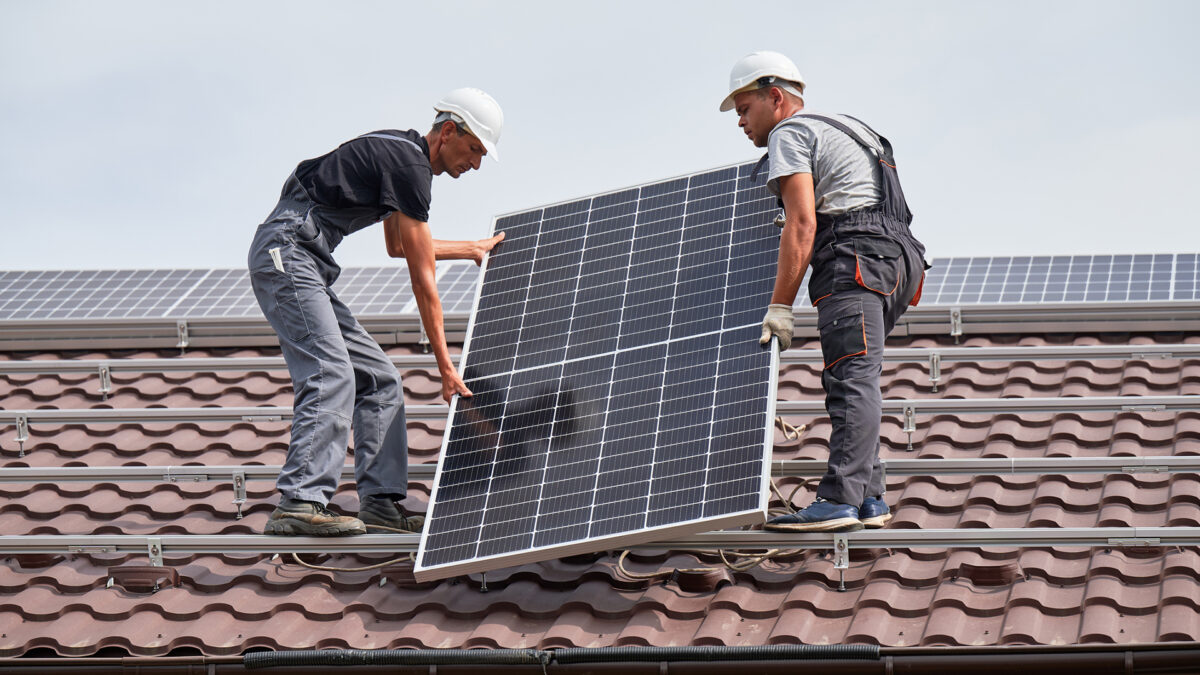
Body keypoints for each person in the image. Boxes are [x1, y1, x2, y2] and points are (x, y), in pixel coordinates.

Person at [247, 88, 506, 536]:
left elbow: (398, 246)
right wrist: (446, 368)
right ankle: (299, 501)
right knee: (331, 371)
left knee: (380, 377)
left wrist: (469, 249)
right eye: (475, 149)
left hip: (307, 262)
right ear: (448, 132)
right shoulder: (410, 166)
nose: (476, 164)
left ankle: (381, 504)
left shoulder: (402, 157)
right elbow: (422, 280)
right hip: (287, 251)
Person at [721, 52, 929, 532]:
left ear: (775, 97)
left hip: (854, 258)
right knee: (854, 374)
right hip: (897, 262)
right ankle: (869, 496)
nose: (740, 121)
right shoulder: (848, 126)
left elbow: (801, 222)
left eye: (745, 108)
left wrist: (780, 306)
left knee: (851, 378)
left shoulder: (789, 133)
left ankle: (838, 499)